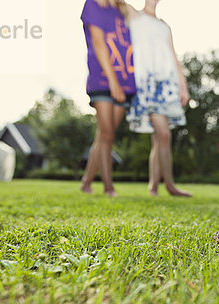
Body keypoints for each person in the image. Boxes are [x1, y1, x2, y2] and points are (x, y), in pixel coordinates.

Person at [125, 0, 192, 197]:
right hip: (146, 83)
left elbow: (174, 56)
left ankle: (154, 186)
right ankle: (169, 186)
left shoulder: (165, 26)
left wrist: (183, 86)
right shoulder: (133, 14)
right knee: (163, 134)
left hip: (166, 84)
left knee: (159, 137)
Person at [80, 0, 136, 197]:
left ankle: (86, 181)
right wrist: (113, 82)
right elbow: (98, 43)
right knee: (108, 135)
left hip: (125, 80)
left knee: (104, 134)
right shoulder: (93, 5)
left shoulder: (122, 10)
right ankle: (108, 187)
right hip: (104, 79)